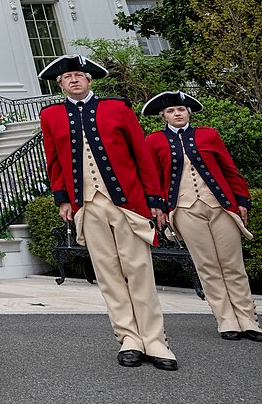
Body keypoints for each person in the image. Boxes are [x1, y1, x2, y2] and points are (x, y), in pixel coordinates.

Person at [39, 55, 177, 371]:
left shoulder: (117, 108)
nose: (74, 80)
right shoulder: (51, 115)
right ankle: (129, 339)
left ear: (89, 80)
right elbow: (55, 161)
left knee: (139, 270)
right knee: (108, 275)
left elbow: (141, 154)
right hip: (86, 205)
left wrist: (154, 199)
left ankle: (155, 341)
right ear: (60, 84)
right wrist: (63, 199)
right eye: (67, 77)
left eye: (79, 75)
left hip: (126, 202)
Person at [143, 90, 261, 341]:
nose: (178, 114)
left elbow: (229, 168)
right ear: (163, 116)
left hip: (220, 206)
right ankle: (226, 318)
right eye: (172, 111)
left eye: (182, 110)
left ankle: (248, 318)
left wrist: (241, 201)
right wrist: (160, 208)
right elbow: (154, 177)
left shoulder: (208, 135)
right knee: (207, 265)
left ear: (188, 113)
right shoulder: (154, 141)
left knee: (232, 264)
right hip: (185, 210)